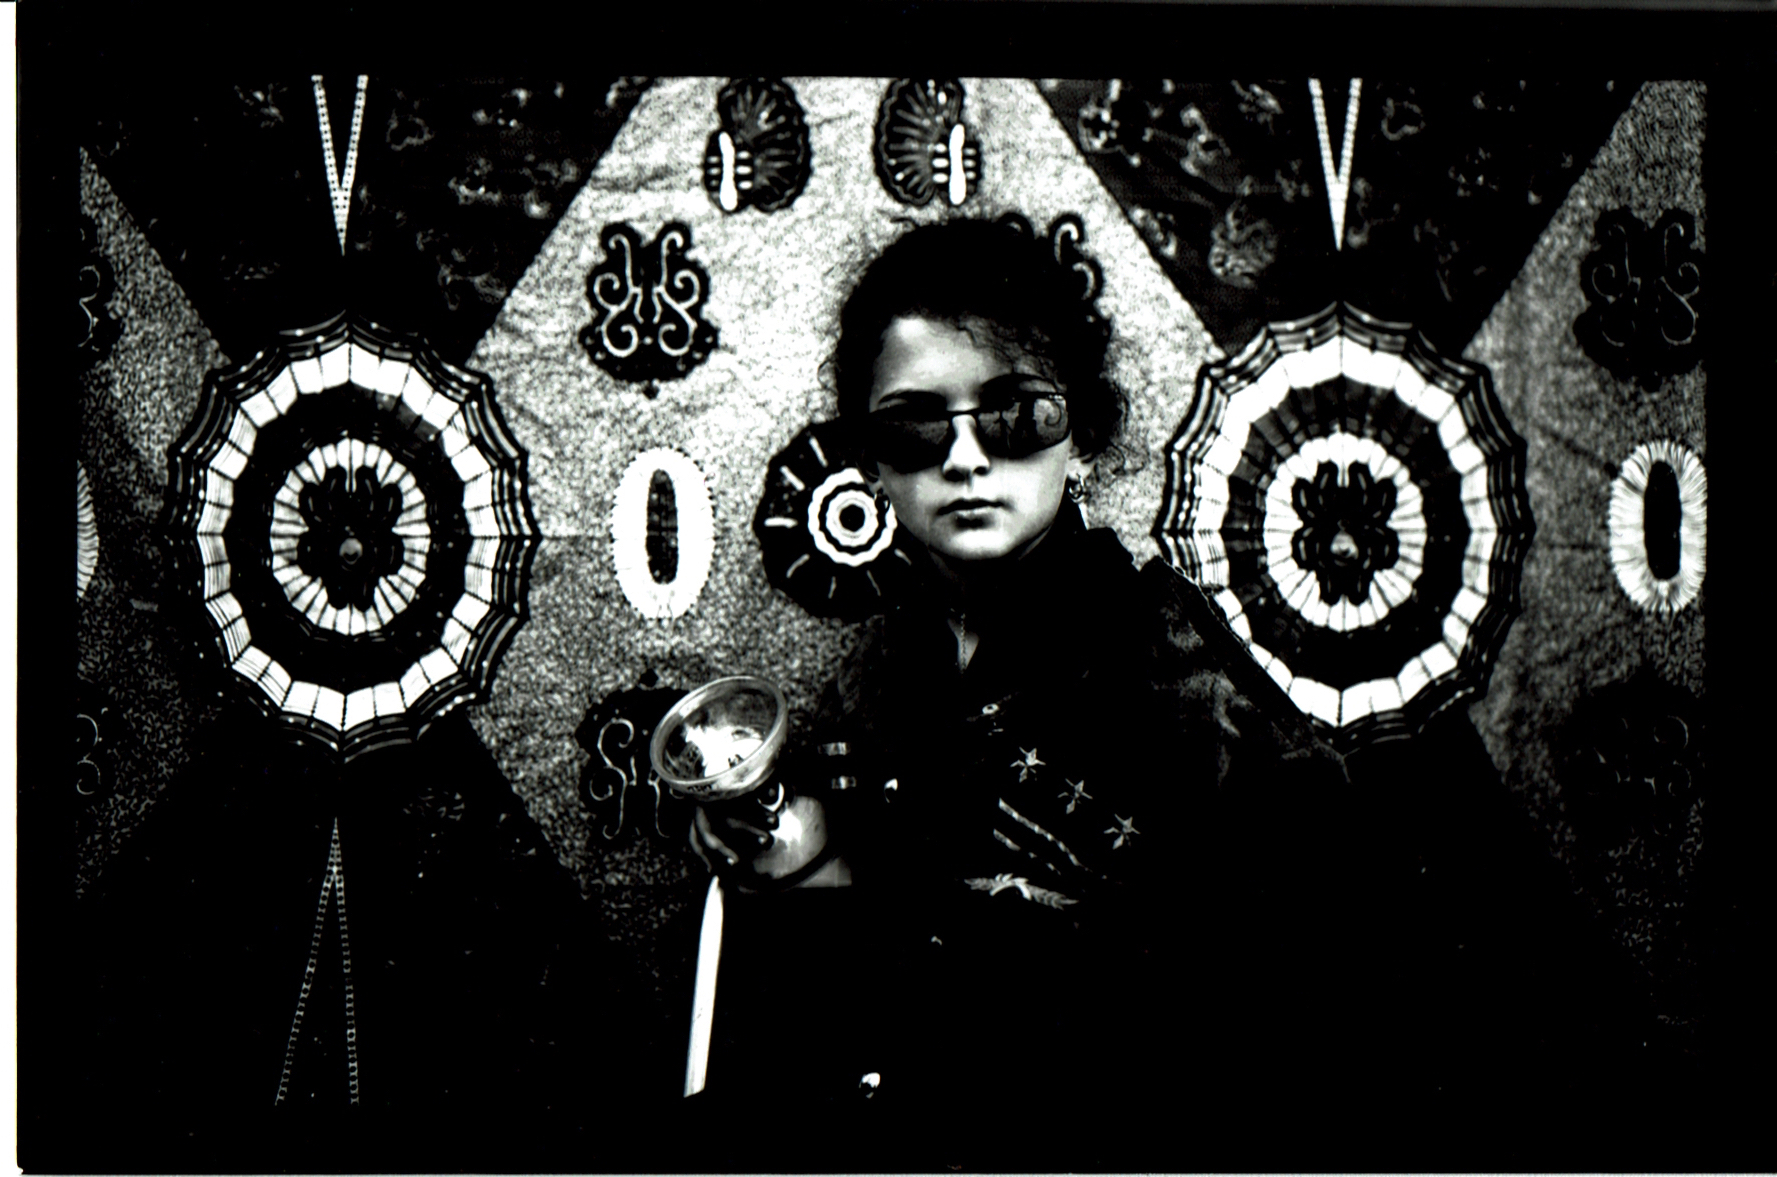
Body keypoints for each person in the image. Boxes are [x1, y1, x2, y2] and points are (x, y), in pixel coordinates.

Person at [685, 214, 1366, 1166]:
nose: (965, 457)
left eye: (1014, 414)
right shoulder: (873, 672)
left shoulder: (1182, 684)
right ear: (871, 462)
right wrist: (782, 844)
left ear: (1078, 435)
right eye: (915, 424)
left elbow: (1300, 1010)